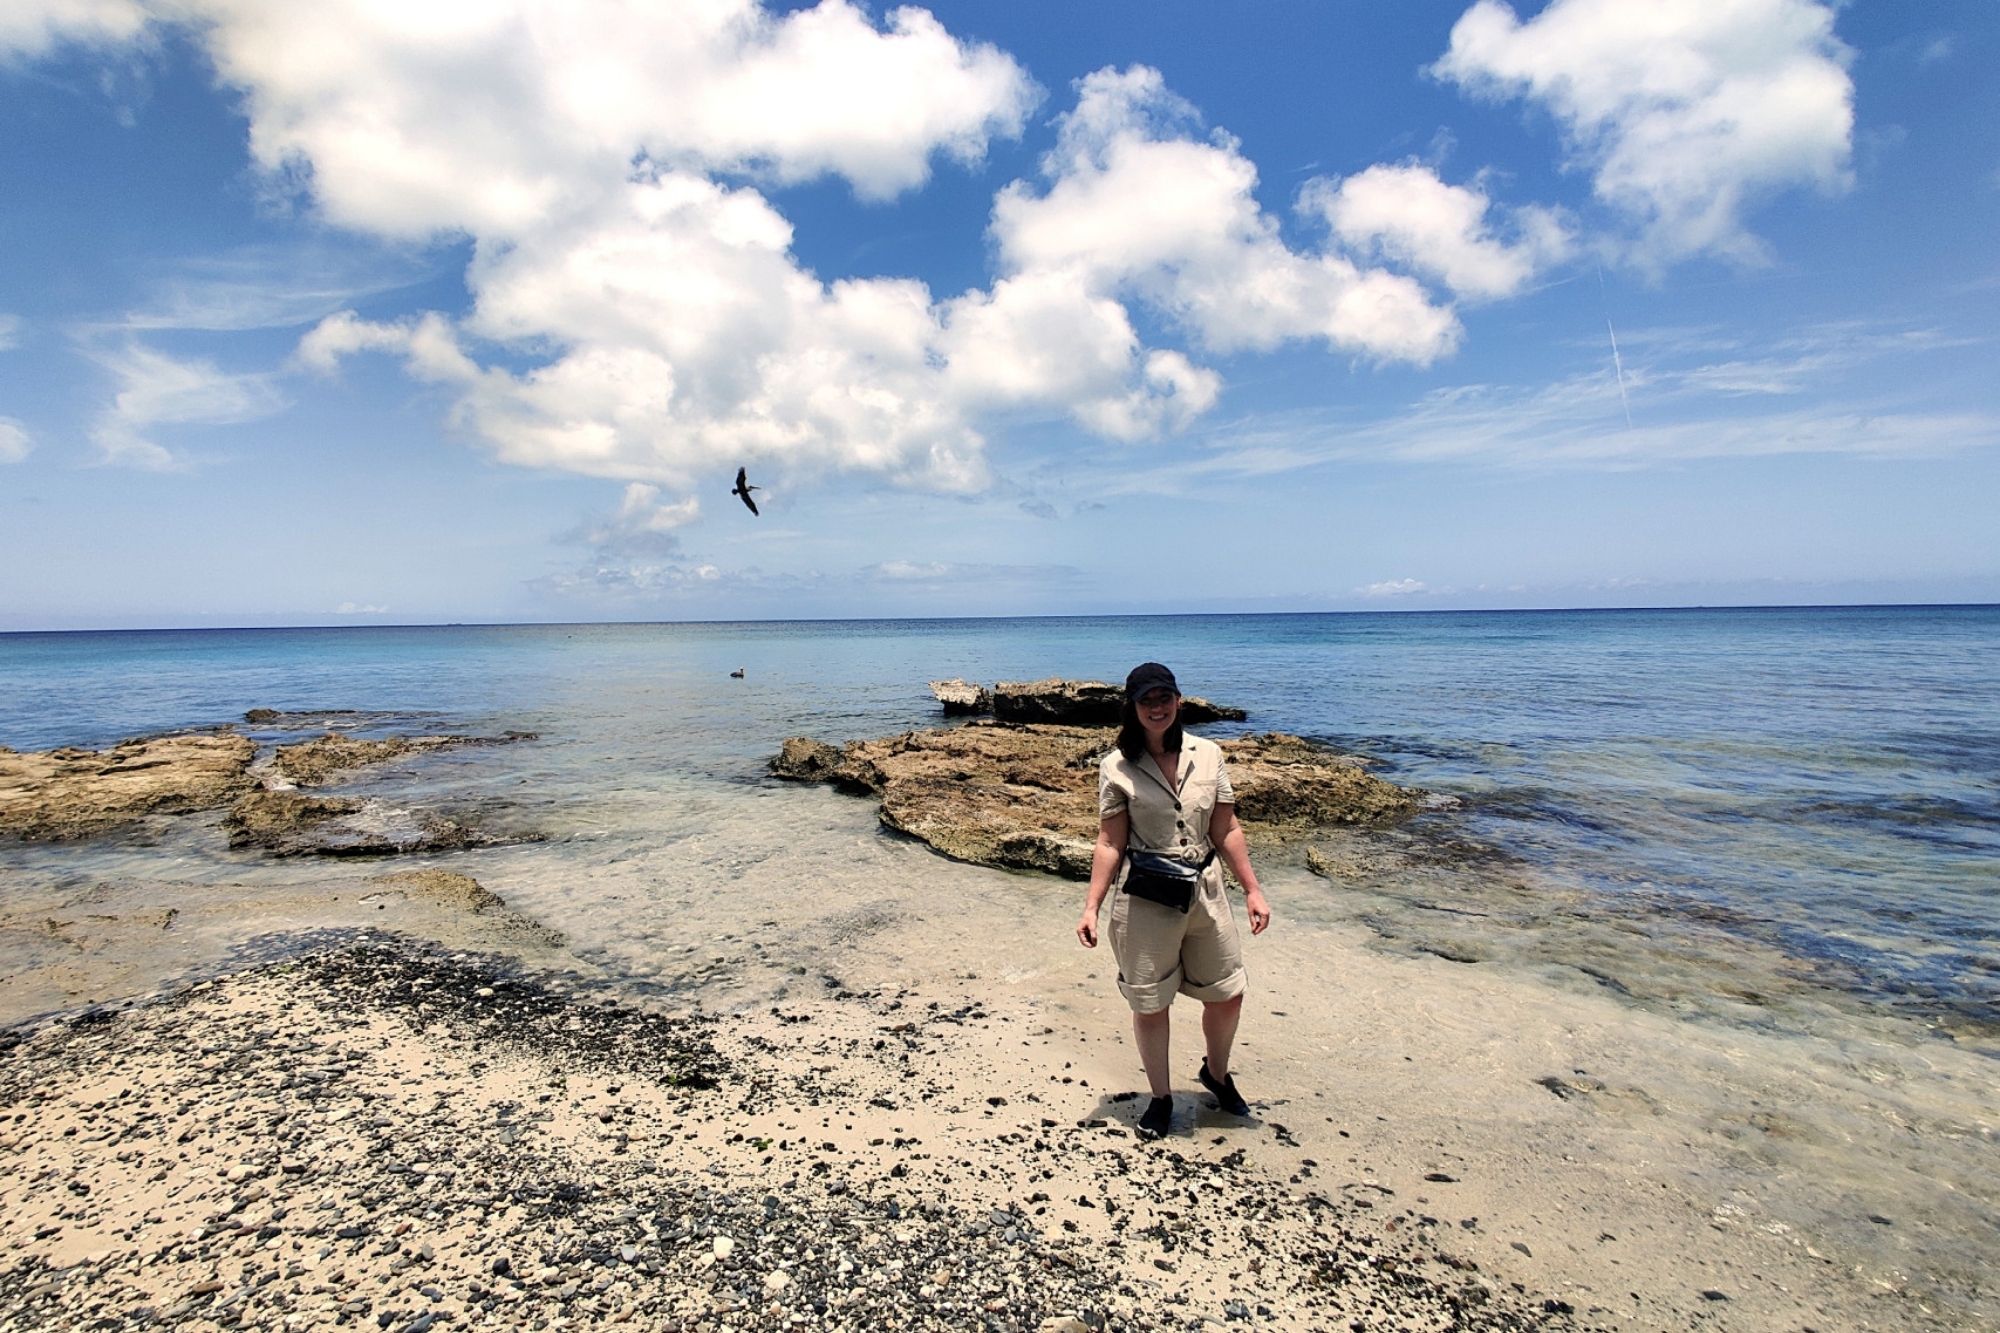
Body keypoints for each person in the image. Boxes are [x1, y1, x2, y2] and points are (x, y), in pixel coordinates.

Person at [1076, 662, 1272, 1139]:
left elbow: (1226, 828)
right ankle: (1161, 1097)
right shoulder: (1115, 766)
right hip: (1145, 897)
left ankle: (1217, 1075)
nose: (1157, 706)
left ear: (1179, 700)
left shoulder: (1208, 755)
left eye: (1165, 697)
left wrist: (1252, 888)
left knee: (1227, 993)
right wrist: (1091, 906)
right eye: (1147, 700)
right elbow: (1109, 842)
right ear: (1133, 707)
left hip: (1206, 892)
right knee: (1150, 1003)